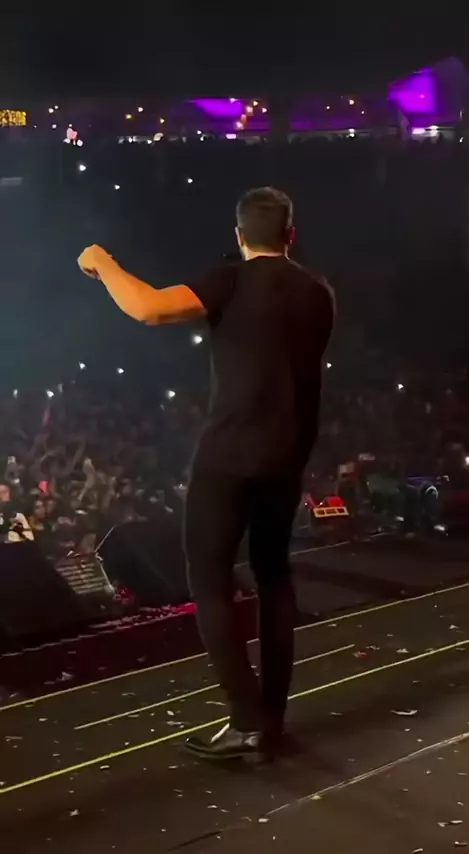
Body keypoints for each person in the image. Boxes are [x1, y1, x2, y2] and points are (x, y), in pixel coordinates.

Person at [77, 186, 335, 761]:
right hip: (286, 457)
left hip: (229, 455)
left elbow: (148, 308)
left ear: (240, 237)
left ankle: (245, 721)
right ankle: (270, 718)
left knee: (209, 578)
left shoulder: (232, 280)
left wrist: (102, 261)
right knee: (274, 577)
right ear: (290, 236)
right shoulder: (318, 291)